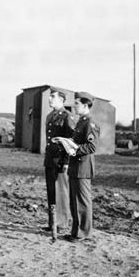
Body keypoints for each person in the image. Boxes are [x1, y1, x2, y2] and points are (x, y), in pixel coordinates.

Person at [64, 92, 99, 242]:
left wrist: (75, 149)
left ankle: (83, 233)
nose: (74, 106)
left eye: (77, 104)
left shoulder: (90, 123)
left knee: (82, 202)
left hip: (83, 166)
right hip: (75, 165)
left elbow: (92, 146)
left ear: (86, 105)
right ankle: (76, 232)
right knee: (74, 201)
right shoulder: (81, 121)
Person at [43, 89, 75, 238]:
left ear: (62, 100)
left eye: (53, 97)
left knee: (61, 192)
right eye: (50, 97)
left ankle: (62, 223)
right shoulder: (50, 116)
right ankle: (52, 222)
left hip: (61, 159)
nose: (50, 99)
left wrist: (66, 161)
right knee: (51, 191)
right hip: (50, 158)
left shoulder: (67, 117)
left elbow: (70, 141)